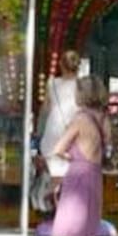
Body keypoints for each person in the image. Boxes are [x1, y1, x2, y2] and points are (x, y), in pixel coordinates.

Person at [49, 75, 109, 236]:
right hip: (95, 178)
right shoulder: (103, 119)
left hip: (78, 179)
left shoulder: (80, 119)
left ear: (81, 95)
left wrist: (70, 156)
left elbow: (58, 148)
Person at [38, 50, 81, 192]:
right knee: (72, 178)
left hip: (53, 132)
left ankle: (51, 198)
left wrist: (38, 131)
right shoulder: (82, 86)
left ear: (61, 65)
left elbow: (45, 109)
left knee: (55, 175)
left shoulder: (52, 83)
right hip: (73, 134)